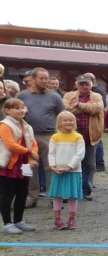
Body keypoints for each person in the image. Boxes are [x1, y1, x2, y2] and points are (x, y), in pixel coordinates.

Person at [18, 67, 64, 208]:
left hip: (49, 135)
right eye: (41, 78)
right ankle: (31, 198)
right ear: (33, 79)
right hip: (27, 137)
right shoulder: (22, 96)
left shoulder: (54, 96)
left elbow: (61, 115)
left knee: (51, 167)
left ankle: (53, 197)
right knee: (28, 167)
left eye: (46, 78)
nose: (44, 81)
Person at [0, 98, 40, 234]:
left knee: (22, 193)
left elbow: (33, 142)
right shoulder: (4, 125)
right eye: (17, 108)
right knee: (7, 194)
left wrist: (32, 156)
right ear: (7, 110)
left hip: (25, 164)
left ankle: (18, 220)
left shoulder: (27, 126)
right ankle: (7, 223)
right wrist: (30, 152)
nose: (21, 110)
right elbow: (10, 145)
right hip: (10, 164)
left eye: (23, 107)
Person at [63, 75, 104, 201]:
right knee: (71, 164)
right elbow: (66, 111)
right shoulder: (68, 96)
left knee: (89, 165)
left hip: (90, 136)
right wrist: (87, 108)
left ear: (91, 84)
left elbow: (97, 109)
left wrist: (78, 105)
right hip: (71, 137)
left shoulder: (97, 96)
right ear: (77, 85)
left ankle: (86, 190)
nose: (84, 86)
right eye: (81, 84)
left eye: (87, 84)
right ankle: (71, 191)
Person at [46, 110, 85, 229]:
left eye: (71, 120)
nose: (68, 122)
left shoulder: (78, 137)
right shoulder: (55, 137)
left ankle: (72, 219)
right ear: (59, 123)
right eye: (65, 120)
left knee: (73, 196)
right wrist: (52, 165)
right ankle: (57, 219)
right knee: (57, 195)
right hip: (58, 171)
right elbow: (51, 153)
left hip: (73, 171)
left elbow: (80, 154)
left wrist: (69, 166)